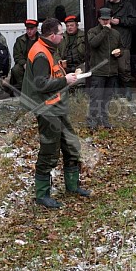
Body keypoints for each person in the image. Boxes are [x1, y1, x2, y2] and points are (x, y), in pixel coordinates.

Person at [20, 18, 90, 209]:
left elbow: (52, 76)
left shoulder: (48, 48)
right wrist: (65, 81)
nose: (63, 35)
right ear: (52, 36)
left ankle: (72, 186)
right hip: (46, 109)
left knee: (71, 145)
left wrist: (66, 76)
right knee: (50, 150)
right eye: (61, 33)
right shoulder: (41, 54)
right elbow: (41, 84)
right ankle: (42, 194)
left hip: (56, 105)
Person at [87, 7, 123, 129]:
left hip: (112, 70)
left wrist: (120, 52)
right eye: (103, 20)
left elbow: (121, 47)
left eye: (108, 19)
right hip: (98, 71)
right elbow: (93, 43)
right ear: (99, 19)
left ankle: (104, 119)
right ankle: (92, 121)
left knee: (107, 98)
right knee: (96, 97)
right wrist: (105, 31)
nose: (106, 22)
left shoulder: (116, 34)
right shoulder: (93, 31)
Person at [104, 0, 136, 100]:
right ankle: (115, 93)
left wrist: (120, 21)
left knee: (124, 69)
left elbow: (134, 20)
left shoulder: (127, 5)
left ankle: (127, 92)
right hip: (109, 42)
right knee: (112, 70)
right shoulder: (106, 6)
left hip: (123, 42)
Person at [10, 19, 39, 93]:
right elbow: (17, 55)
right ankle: (23, 88)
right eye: (27, 29)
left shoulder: (41, 40)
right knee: (16, 69)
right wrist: (24, 64)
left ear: (36, 29)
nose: (29, 31)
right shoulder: (20, 40)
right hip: (25, 64)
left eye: (31, 29)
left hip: (38, 64)